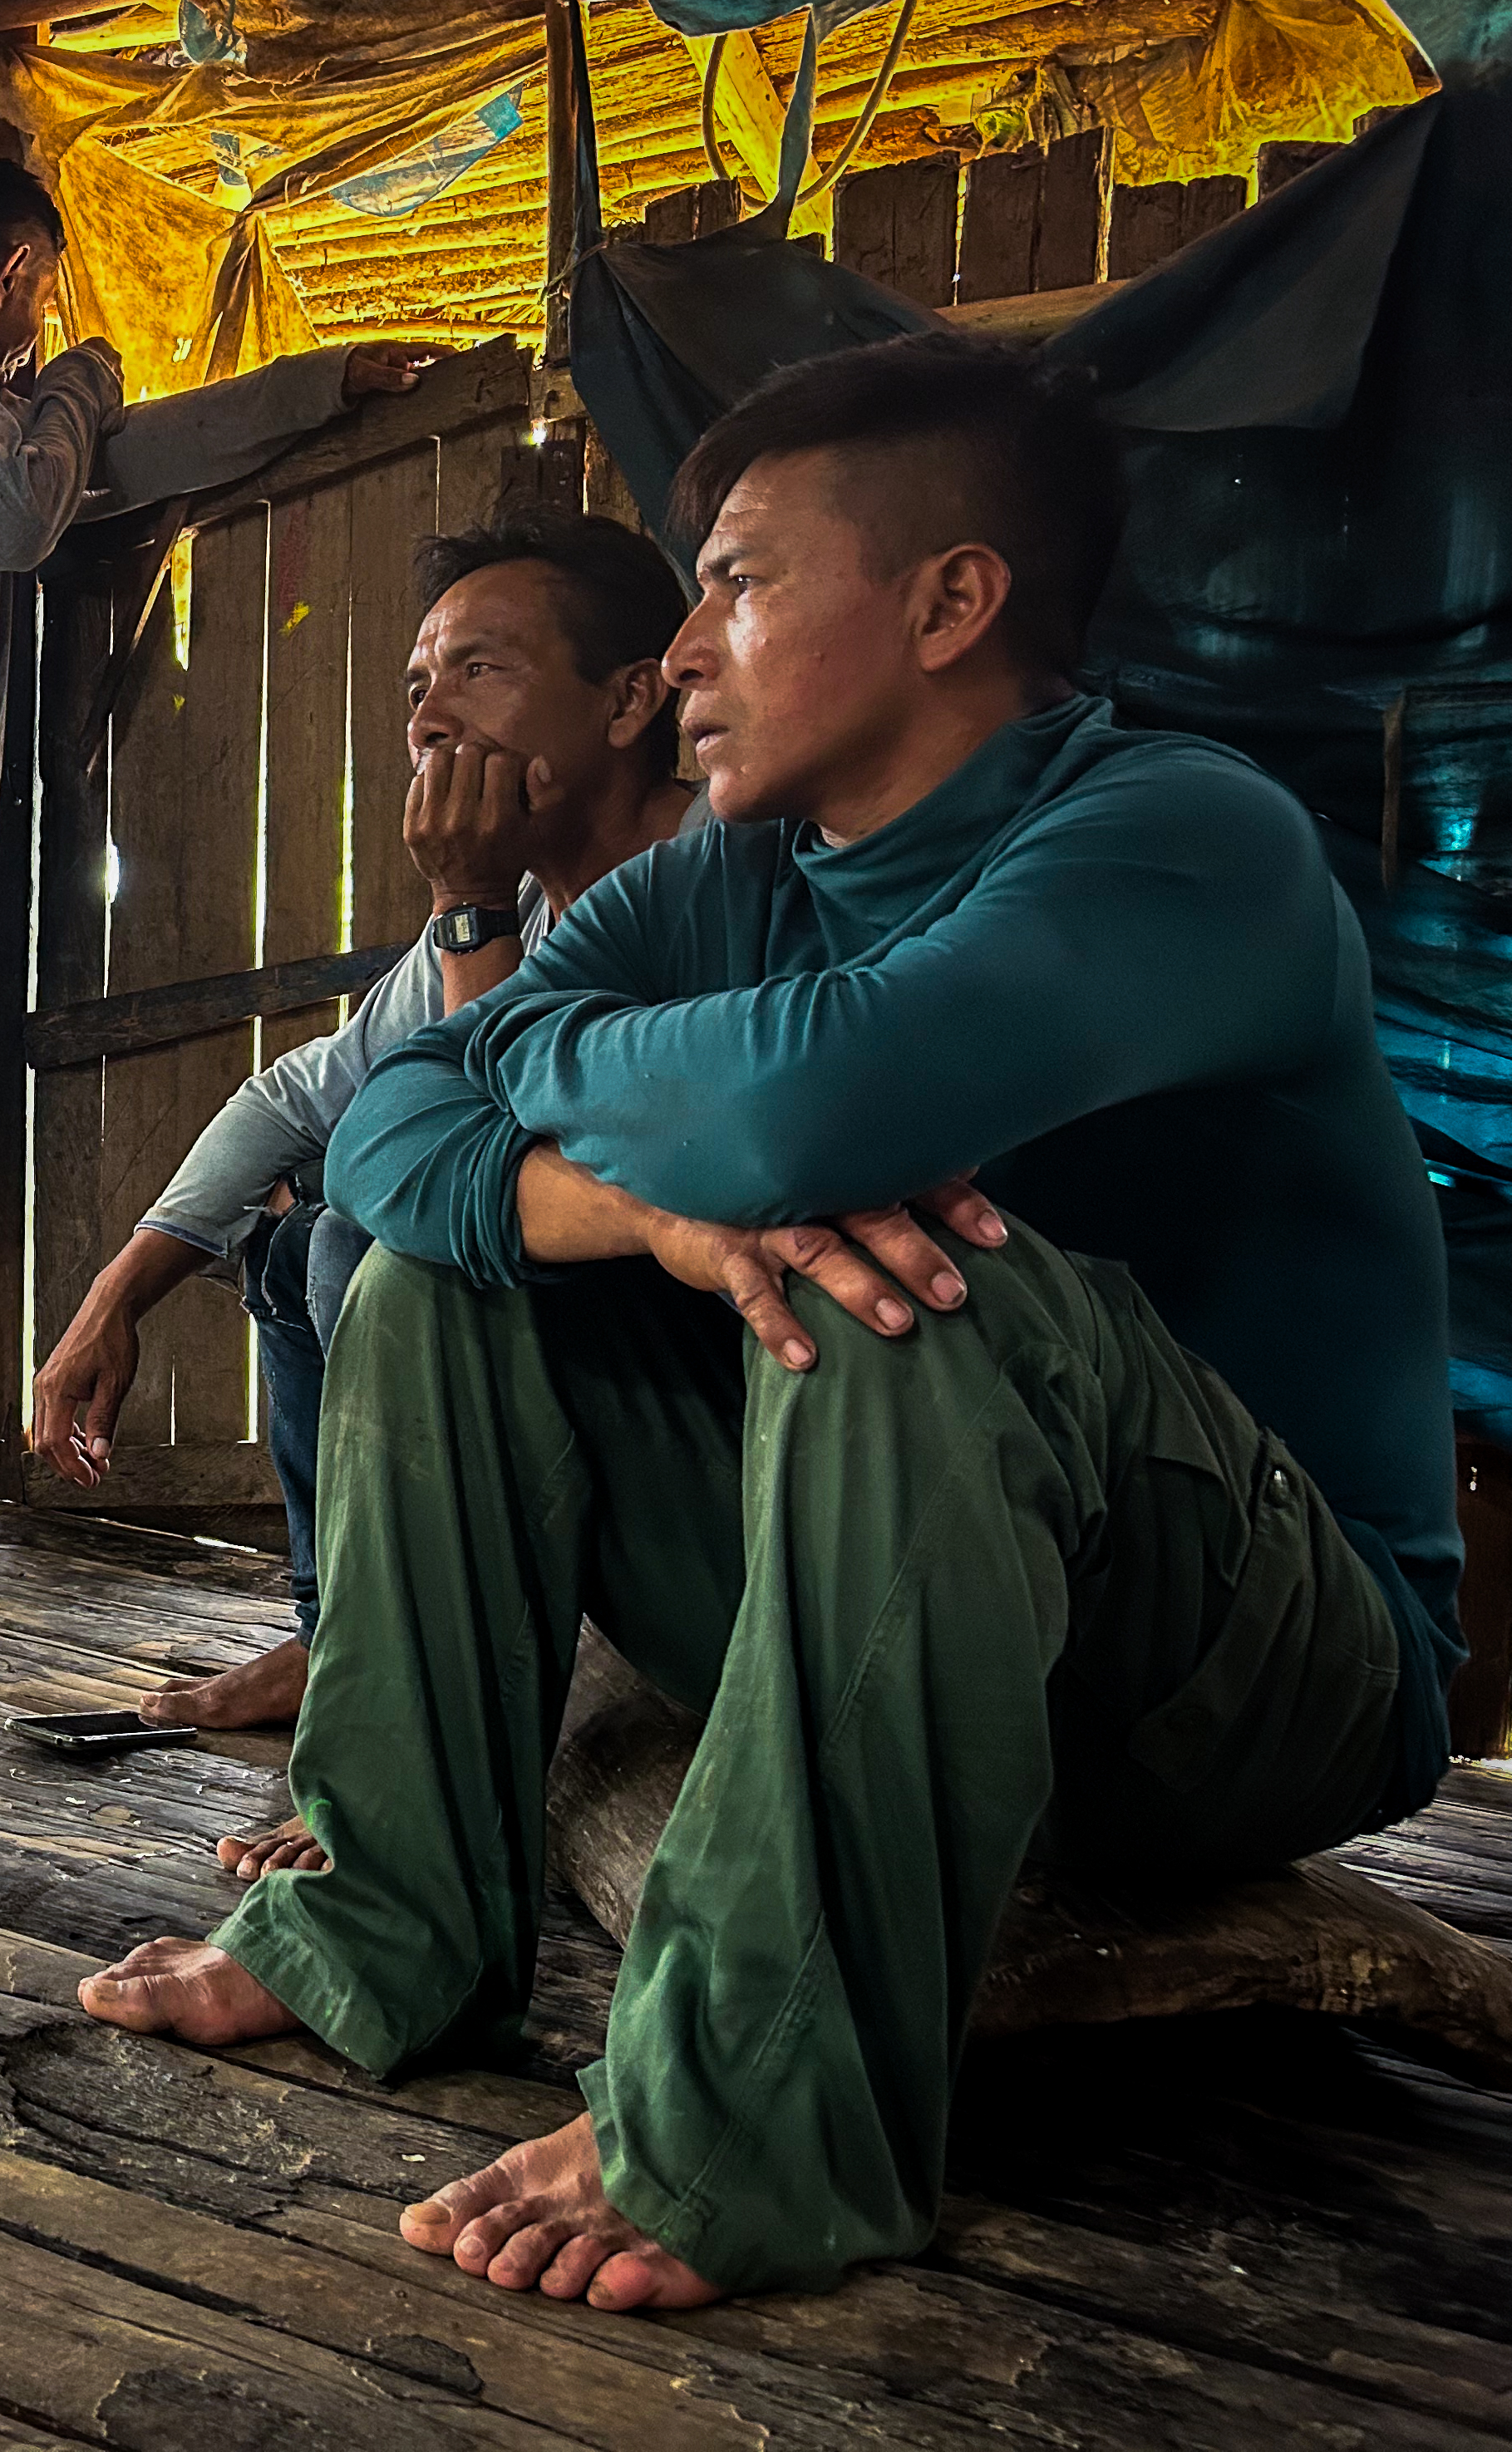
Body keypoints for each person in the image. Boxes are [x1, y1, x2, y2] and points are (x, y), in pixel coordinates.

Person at [73, 336, 1466, 2313]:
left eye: (736, 580)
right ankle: (384, 1924)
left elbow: (804, 1111)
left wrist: (573, 1081)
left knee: (913, 1281)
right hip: (905, 1604)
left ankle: (752, 2115)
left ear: (951, 601)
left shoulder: (1183, 838)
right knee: (441, 1280)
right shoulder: (726, 883)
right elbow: (394, 1125)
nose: (683, 654)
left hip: (1257, 1679)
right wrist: (623, 1206)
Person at [0, 156, 435, 1575]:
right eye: (40, 295)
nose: (42, 326)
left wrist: (323, 385)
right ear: (9, 272)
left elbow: (126, 458)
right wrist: (79, 385)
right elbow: (19, 508)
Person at [30, 511, 698, 1859]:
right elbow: (303, 1095)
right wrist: (115, 1297)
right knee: (303, 1242)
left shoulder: (712, 885)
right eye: (415, 685)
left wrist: (469, 910)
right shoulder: (531, 897)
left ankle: (410, 1726)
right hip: (562, 1381)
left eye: (480, 670)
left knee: (364, 1251)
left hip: (698, 1426)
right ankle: (342, 1641)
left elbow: (502, 1155)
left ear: (632, 699)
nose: (429, 719)